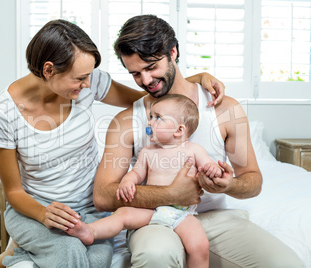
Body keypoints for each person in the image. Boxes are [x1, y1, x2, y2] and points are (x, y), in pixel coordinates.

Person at [0, 19, 224, 268]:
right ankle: (19, 250)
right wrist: (44, 214)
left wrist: (195, 79)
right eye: (80, 78)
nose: (87, 85)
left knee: (98, 260)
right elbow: (13, 192)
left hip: (88, 210)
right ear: (49, 70)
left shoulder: (88, 83)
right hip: (38, 210)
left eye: (89, 76)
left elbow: (147, 96)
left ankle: (18, 255)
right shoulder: (2, 114)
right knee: (69, 251)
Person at [93, 15, 303, 268]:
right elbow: (103, 196)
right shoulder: (127, 120)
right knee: (155, 256)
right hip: (154, 220)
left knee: (286, 263)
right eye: (135, 73)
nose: (145, 81)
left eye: (151, 68)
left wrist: (228, 186)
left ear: (173, 52)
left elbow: (253, 181)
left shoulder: (225, 110)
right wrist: (168, 194)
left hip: (216, 221)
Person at [67, 94, 223, 268]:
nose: (149, 122)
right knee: (122, 215)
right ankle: (91, 231)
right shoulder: (148, 152)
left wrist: (213, 169)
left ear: (179, 130)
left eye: (158, 118)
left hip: (181, 214)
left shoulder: (194, 150)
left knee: (200, 246)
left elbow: (208, 166)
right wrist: (127, 180)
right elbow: (137, 173)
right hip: (151, 209)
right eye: (150, 117)